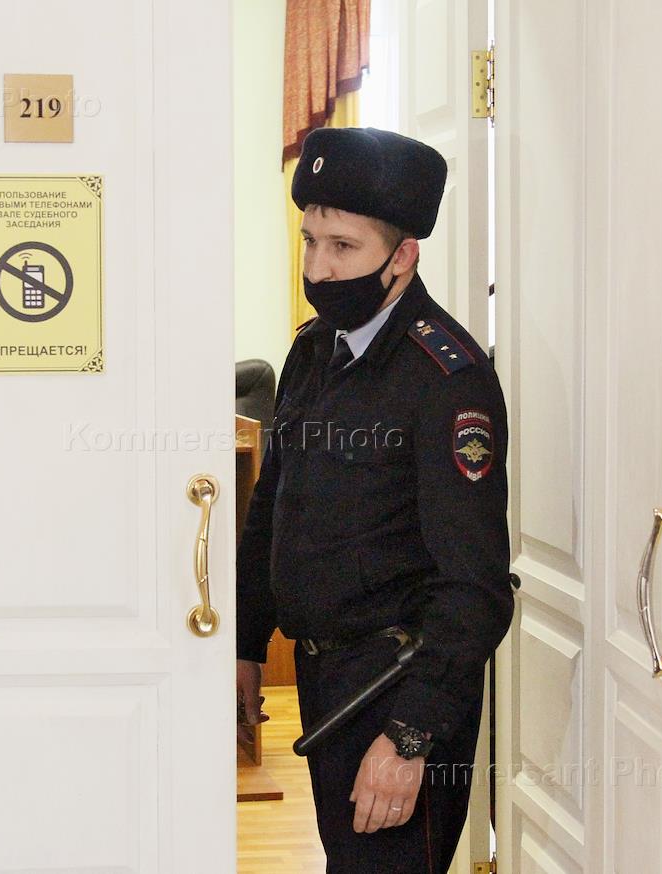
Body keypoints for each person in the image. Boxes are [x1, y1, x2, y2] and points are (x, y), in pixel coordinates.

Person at [235, 127, 514, 874]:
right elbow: (273, 507)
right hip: (327, 684)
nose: (318, 268)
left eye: (343, 247)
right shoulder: (313, 350)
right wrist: (245, 645)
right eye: (309, 241)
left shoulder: (446, 379)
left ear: (402, 257)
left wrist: (410, 737)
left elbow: (477, 590)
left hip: (399, 693)